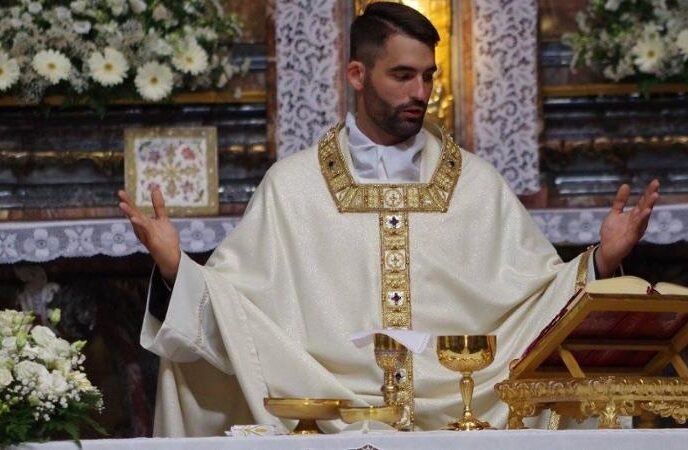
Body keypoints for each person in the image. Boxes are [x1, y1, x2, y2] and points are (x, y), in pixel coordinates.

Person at [118, 2, 659, 436]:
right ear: (357, 74)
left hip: (465, 419)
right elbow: (236, 310)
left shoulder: (476, 184)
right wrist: (175, 269)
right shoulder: (294, 187)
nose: (420, 93)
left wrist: (600, 262)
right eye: (402, 76)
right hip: (328, 419)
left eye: (428, 77)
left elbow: (537, 298)